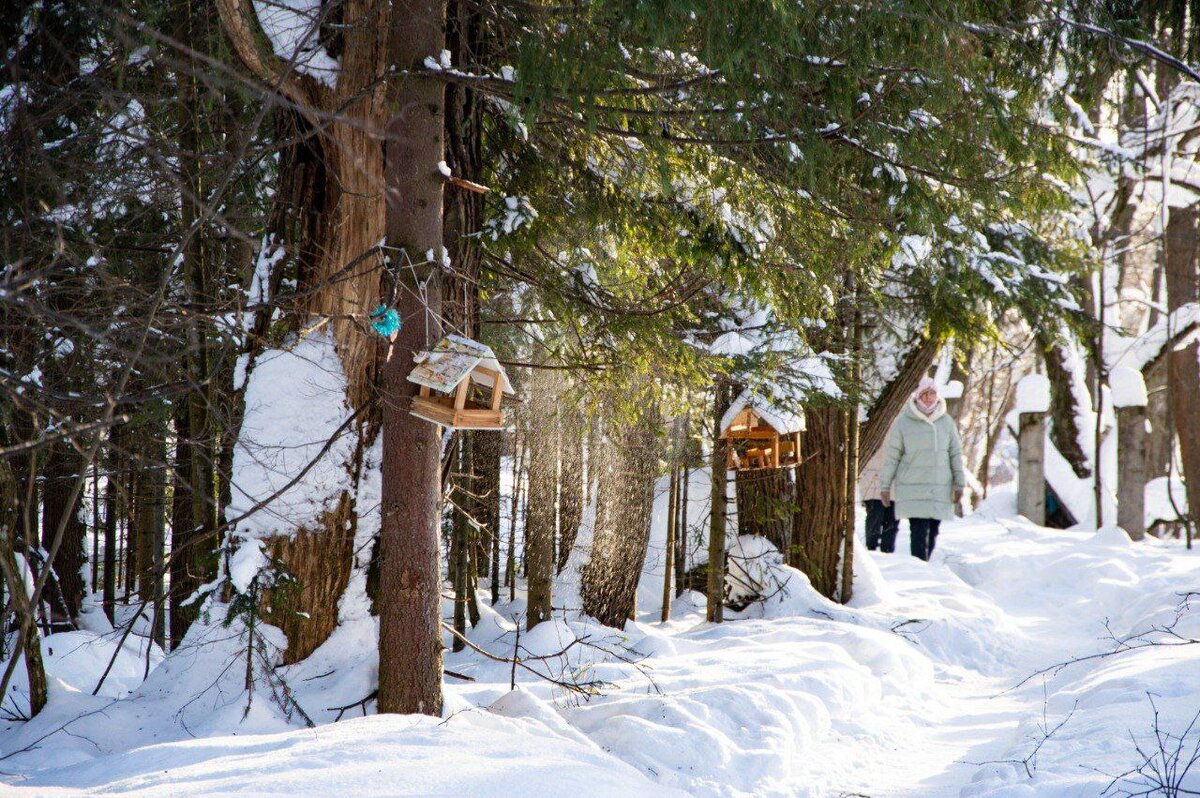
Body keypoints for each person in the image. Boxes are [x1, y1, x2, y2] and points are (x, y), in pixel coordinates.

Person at [878, 377, 965, 561]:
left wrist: (959, 483)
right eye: (924, 394)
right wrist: (885, 486)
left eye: (932, 393)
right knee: (918, 531)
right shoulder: (903, 422)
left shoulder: (946, 422)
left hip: (939, 486)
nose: (928, 398)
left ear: (937, 396)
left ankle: (924, 566)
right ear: (917, 397)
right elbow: (893, 456)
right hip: (912, 485)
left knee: (933, 533)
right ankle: (919, 567)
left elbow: (955, 454)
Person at [859, 423, 900, 552]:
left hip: (895, 478)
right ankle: (871, 551)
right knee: (875, 518)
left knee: (891, 520)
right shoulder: (874, 418)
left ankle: (886, 554)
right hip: (873, 477)